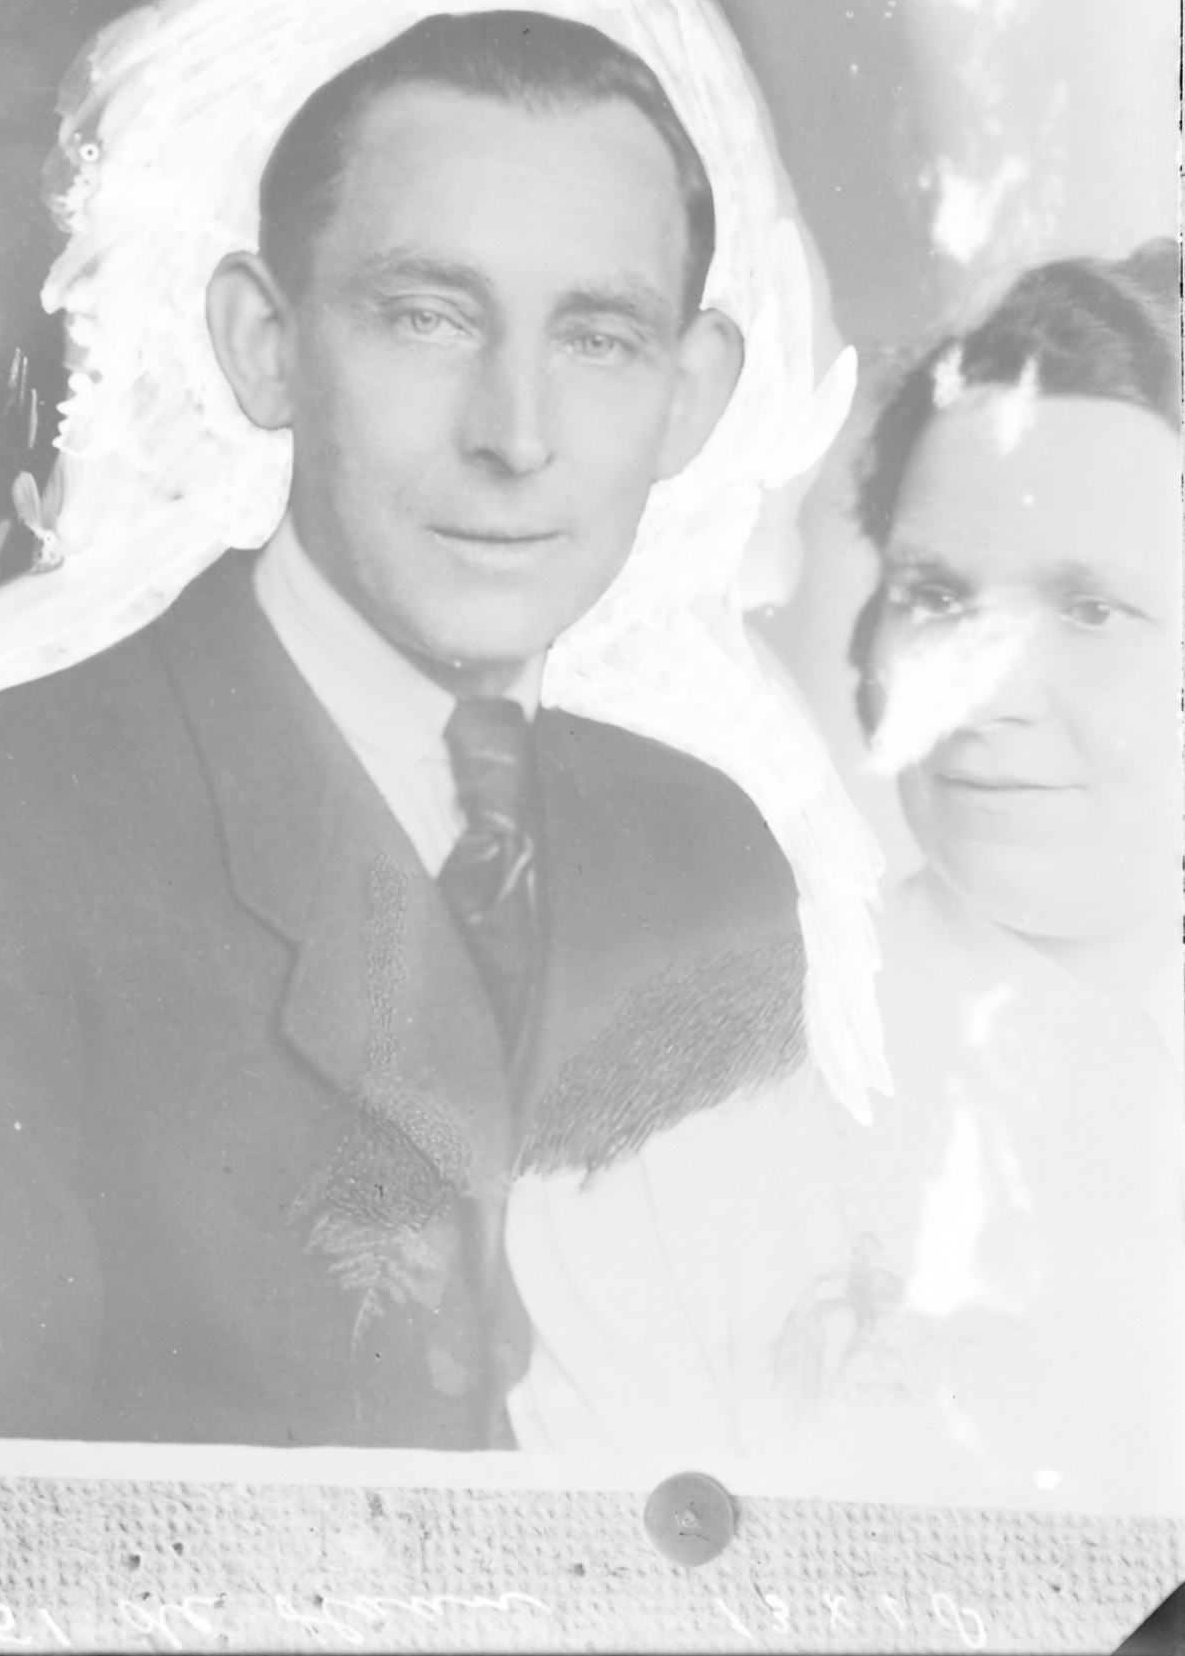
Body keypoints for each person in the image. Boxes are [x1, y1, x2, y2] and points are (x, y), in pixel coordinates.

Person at [0, 0, 882, 1446]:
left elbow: (770, 1461)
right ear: (262, 346)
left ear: (688, 398)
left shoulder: (710, 856)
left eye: (597, 338)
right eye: (426, 317)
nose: (515, 434)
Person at [505, 244, 1183, 1515]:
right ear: (868, 646)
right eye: (938, 597)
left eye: (1092, 611)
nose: (986, 695)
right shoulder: (664, 1160)